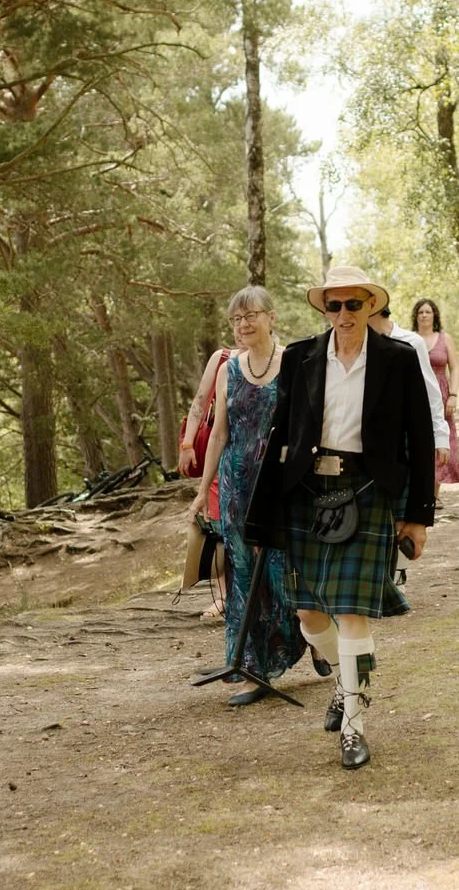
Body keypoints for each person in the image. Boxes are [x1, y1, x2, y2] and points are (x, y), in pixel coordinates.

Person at [246, 267, 435, 770]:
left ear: (371, 305)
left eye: (354, 304)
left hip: (368, 491)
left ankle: (353, 724)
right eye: (335, 305)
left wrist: (418, 516)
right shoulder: (300, 358)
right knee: (309, 613)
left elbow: (419, 438)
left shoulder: (398, 359)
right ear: (325, 309)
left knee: (353, 613)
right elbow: (279, 434)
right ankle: (344, 681)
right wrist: (261, 516)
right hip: (307, 493)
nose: (344, 314)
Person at [191, 287, 305, 705]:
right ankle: (252, 667)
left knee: (281, 571)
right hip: (237, 484)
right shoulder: (228, 369)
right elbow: (219, 432)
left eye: (250, 315)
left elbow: (305, 426)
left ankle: (305, 637)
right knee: (242, 575)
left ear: (271, 317)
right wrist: (203, 491)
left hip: (278, 483)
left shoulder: (293, 362)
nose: (243, 324)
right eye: (236, 319)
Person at [367, 302, 451, 480]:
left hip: (406, 436)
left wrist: (440, 437)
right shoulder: (358, 343)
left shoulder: (412, 342)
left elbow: (431, 392)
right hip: (369, 437)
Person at [180, 343, 231, 617]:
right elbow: (200, 402)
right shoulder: (222, 358)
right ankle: (223, 595)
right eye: (237, 322)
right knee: (217, 522)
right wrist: (188, 443)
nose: (243, 327)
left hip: (255, 452)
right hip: (218, 451)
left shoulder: (277, 358)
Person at [412, 299, 459, 484]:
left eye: (428, 312)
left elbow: (455, 368)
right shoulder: (410, 339)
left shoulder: (444, 338)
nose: (424, 315)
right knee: (419, 441)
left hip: (441, 395)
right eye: (420, 312)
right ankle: (421, 488)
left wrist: (453, 395)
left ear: (435, 315)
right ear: (416, 316)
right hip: (416, 395)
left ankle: (434, 492)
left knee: (441, 443)